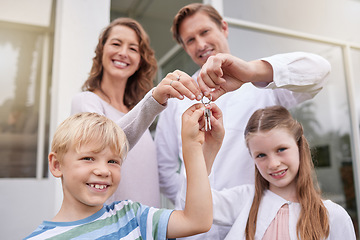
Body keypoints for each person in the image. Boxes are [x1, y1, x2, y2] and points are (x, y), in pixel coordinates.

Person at [154, 3, 331, 239]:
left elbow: (320, 72)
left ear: (224, 28)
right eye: (190, 40)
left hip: (252, 223)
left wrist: (251, 71)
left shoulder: (261, 85)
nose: (200, 44)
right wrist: (196, 201)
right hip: (195, 232)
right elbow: (164, 169)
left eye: (205, 32)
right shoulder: (177, 99)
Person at [24, 105, 224, 239]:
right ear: (57, 165)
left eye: (113, 161)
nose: (103, 170)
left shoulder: (133, 216)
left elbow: (198, 220)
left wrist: (194, 146)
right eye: (88, 158)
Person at [71, 18, 202, 208]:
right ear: (101, 51)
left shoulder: (137, 113)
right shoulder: (86, 102)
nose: (123, 53)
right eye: (116, 44)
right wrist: (154, 100)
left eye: (133, 48)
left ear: (140, 60)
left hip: (149, 228)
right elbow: (104, 147)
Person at [180, 105, 356, 239]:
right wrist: (209, 149)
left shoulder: (332, 215)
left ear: (299, 146)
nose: (273, 164)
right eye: (261, 155)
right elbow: (190, 203)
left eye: (281, 149)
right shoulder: (243, 200)